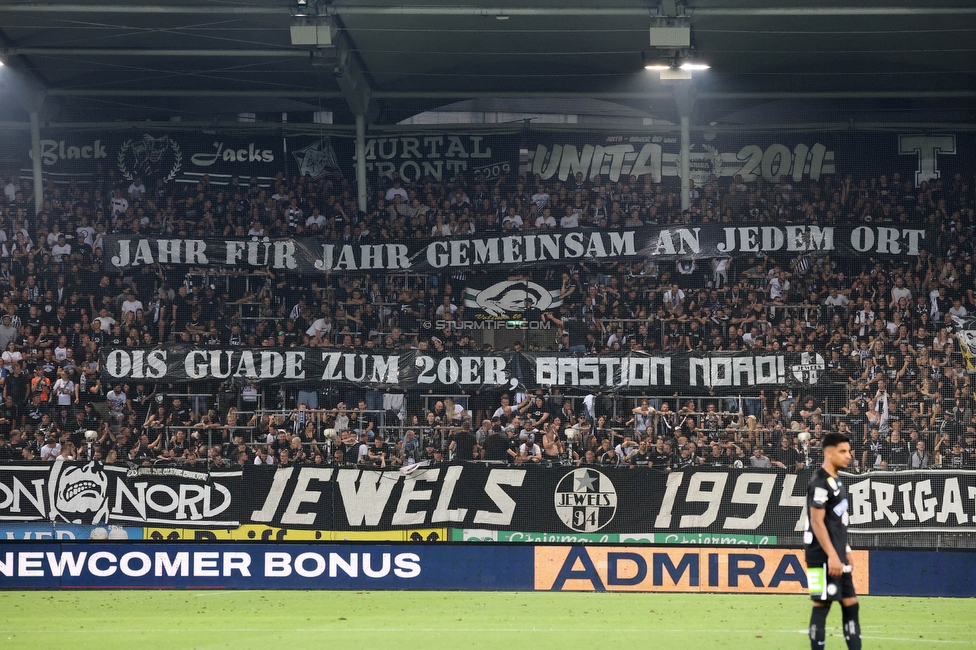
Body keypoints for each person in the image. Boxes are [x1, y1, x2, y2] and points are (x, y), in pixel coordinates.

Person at [805, 431, 861, 650]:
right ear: (829, 453)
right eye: (843, 451)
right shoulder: (820, 482)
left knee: (851, 604)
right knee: (822, 604)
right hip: (821, 556)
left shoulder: (835, 480)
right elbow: (817, 521)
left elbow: (835, 523)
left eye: (849, 451)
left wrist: (845, 549)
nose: (848, 456)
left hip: (836, 554)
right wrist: (832, 556)